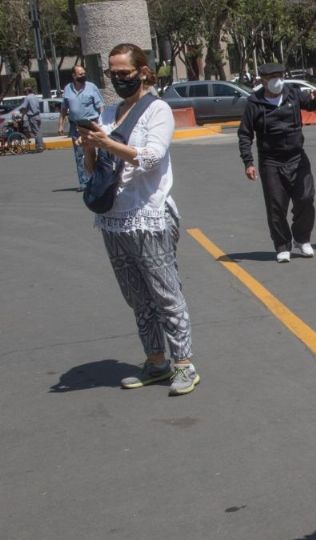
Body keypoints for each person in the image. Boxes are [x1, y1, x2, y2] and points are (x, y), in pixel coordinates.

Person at [76, 43, 198, 396]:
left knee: (165, 293)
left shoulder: (157, 110)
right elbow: (93, 169)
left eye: (124, 73)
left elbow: (151, 158)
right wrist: (90, 145)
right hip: (114, 218)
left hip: (149, 216)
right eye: (113, 74)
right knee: (136, 296)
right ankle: (156, 360)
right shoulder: (112, 111)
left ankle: (184, 364)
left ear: (143, 72)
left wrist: (109, 143)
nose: (118, 79)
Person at [237, 63, 316, 263]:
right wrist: (248, 162)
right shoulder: (255, 103)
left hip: (297, 156)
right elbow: (245, 134)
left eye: (279, 75)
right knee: (276, 205)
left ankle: (302, 239)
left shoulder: (292, 93)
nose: (277, 80)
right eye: (272, 77)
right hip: (271, 161)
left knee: (306, 198)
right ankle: (282, 245)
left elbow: (312, 103)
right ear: (263, 80)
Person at [59, 64, 104, 190]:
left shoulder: (91, 87)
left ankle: (96, 179)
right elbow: (64, 108)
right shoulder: (67, 89)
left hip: (91, 124)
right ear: (74, 76)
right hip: (76, 126)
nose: (83, 76)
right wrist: (61, 124)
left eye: (84, 74)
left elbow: (100, 106)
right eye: (80, 74)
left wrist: (102, 123)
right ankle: (84, 183)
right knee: (79, 154)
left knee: (93, 152)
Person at [17, 86, 44, 152]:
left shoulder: (27, 98)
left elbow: (24, 108)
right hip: (38, 116)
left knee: (35, 132)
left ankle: (39, 146)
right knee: (38, 131)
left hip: (32, 117)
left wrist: (22, 116)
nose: (24, 93)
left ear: (27, 91)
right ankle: (39, 146)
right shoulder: (35, 97)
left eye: (24, 92)